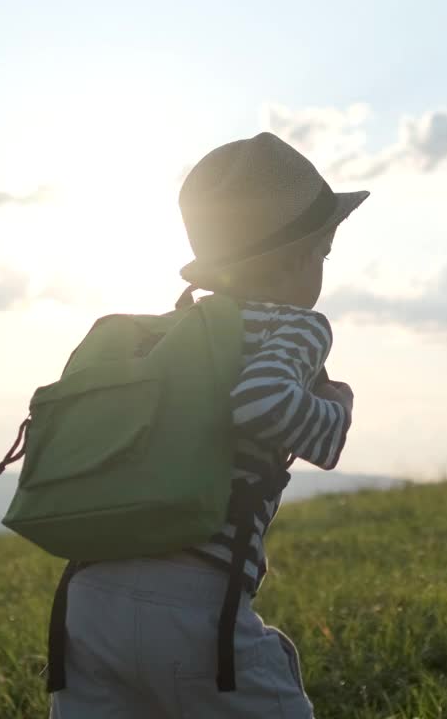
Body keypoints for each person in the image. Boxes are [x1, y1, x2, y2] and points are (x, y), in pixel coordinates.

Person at [49, 132, 368, 718]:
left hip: (86, 600)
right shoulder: (296, 326)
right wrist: (337, 407)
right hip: (190, 602)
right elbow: (265, 404)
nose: (321, 271)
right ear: (297, 257)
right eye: (323, 255)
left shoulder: (168, 337)